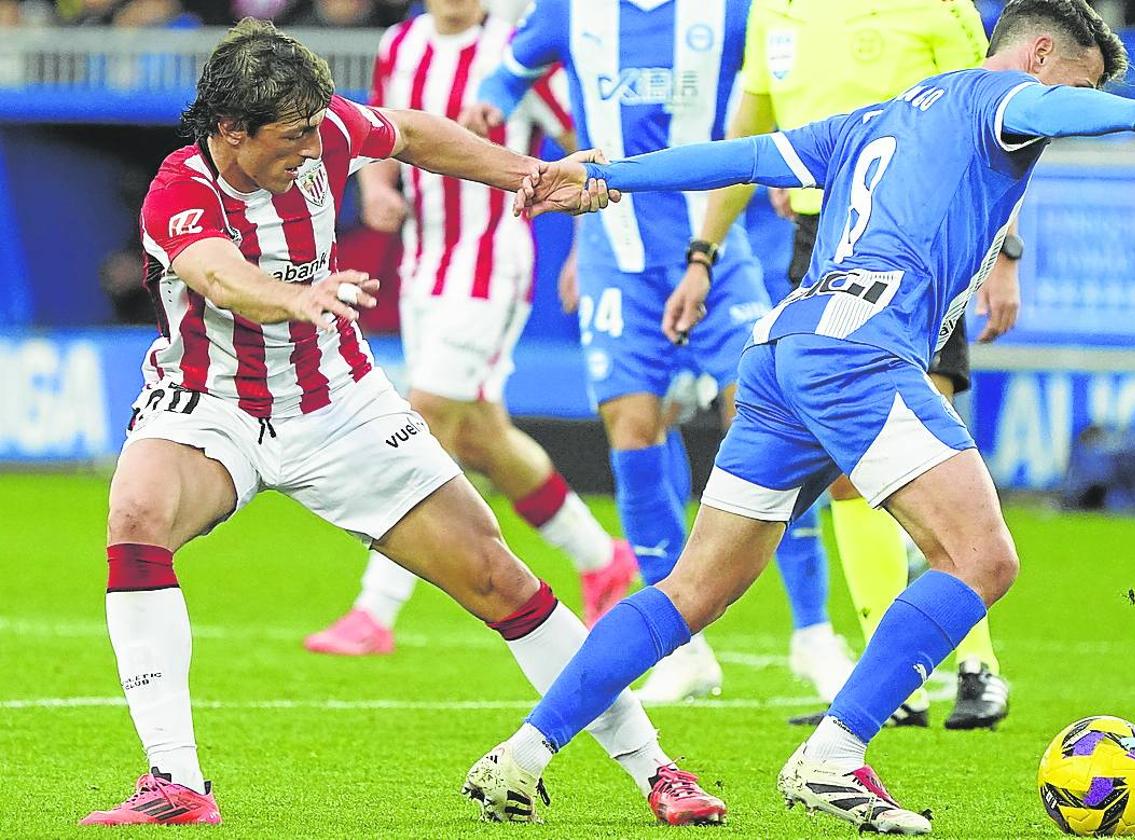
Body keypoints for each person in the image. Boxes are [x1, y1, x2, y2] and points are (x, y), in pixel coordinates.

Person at [464, 0, 1135, 830]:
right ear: (1038, 56)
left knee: (693, 590)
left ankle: (522, 755)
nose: (1069, 109)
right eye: (1081, 82)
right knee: (981, 557)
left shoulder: (877, 118)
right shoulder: (999, 98)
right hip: (859, 351)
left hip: (785, 347)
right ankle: (834, 757)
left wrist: (607, 175)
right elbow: (1043, 105)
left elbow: (739, 156)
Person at [81, 18, 716, 826]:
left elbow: (412, 132)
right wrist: (294, 298)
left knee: (498, 578)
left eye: (318, 130)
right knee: (135, 513)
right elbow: (219, 275)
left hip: (340, 403)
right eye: (293, 136)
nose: (314, 150)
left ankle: (658, 770)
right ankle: (175, 782)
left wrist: (531, 173)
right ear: (230, 132)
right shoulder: (180, 190)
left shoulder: (325, 129)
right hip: (212, 406)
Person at [459, 0, 855, 704]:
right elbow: (507, 76)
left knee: (768, 421)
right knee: (633, 429)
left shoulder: (732, 12)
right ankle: (684, 648)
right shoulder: (569, 13)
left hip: (717, 250)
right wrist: (488, 108)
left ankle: (814, 633)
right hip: (617, 257)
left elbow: (778, 80)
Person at [707, 0, 1018, 730]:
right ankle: (899, 678)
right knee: (849, 474)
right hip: (820, 240)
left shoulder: (940, 11)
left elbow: (999, 135)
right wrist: (703, 252)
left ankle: (978, 667)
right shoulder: (772, 13)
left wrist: (1006, 254)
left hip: (921, 245)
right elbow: (749, 134)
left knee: (924, 457)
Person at [304, 0, 637, 657]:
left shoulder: (518, 53)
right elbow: (382, 133)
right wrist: (375, 189)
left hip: (490, 267)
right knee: (482, 435)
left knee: (424, 421)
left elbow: (587, 145)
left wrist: (585, 247)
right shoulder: (401, 45)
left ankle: (375, 611)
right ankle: (601, 558)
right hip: (424, 264)